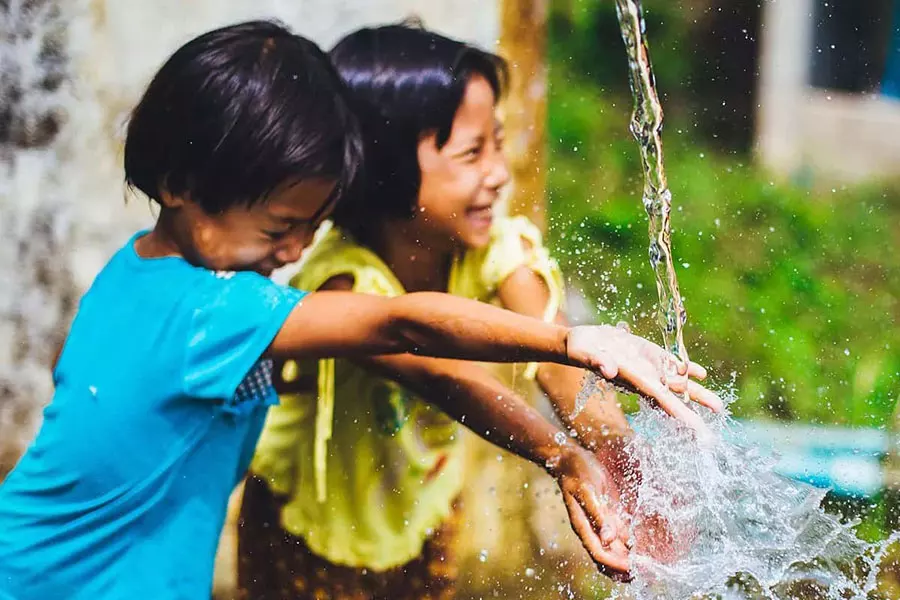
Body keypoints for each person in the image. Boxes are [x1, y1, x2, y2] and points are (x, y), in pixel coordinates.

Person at [0, 20, 718, 600]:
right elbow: (403, 325)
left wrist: (568, 452)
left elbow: (426, 368)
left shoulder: (134, 270)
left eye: (312, 226)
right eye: (280, 228)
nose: (295, 252)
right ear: (181, 183)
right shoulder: (220, 308)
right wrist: (571, 343)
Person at [238, 23, 722, 600]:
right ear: (385, 169)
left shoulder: (495, 249)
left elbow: (559, 364)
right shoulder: (342, 284)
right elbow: (447, 375)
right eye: (472, 153)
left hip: (425, 508)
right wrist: (560, 455)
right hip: (309, 528)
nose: (498, 172)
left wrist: (621, 458)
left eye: (497, 142)